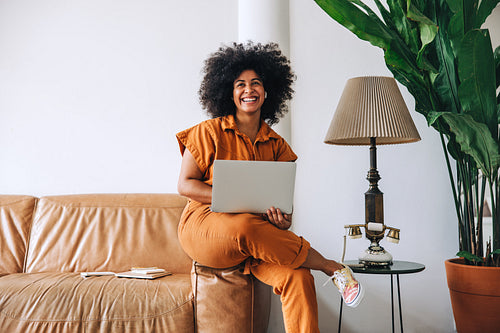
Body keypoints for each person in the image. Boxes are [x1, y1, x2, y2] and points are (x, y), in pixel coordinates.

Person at [176, 42, 363, 333]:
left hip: (256, 240)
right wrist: (232, 200)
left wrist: (281, 219)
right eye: (240, 84)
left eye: (256, 83)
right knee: (245, 227)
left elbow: (284, 214)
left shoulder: (278, 146)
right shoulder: (208, 132)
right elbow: (185, 184)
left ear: (268, 91)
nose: (248, 90)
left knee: (299, 278)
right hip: (205, 230)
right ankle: (331, 267)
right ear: (228, 91)